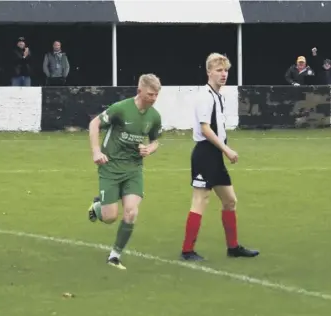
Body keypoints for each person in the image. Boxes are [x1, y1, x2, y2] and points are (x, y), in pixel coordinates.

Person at [180, 53, 259, 262]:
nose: (223, 74)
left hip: (215, 154)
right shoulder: (205, 96)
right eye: (218, 70)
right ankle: (187, 250)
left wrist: (223, 149)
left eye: (225, 70)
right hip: (205, 154)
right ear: (209, 72)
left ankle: (233, 248)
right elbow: (205, 129)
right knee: (200, 200)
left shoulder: (218, 96)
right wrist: (226, 149)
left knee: (230, 200)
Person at [86, 74, 163, 270]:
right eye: (150, 94)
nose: (154, 98)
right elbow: (94, 123)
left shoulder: (154, 117)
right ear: (139, 91)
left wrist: (149, 149)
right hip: (110, 166)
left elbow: (155, 141)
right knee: (110, 216)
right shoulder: (120, 109)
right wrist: (96, 151)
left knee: (131, 212)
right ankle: (97, 206)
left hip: (133, 169)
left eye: (156, 95)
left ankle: (114, 256)